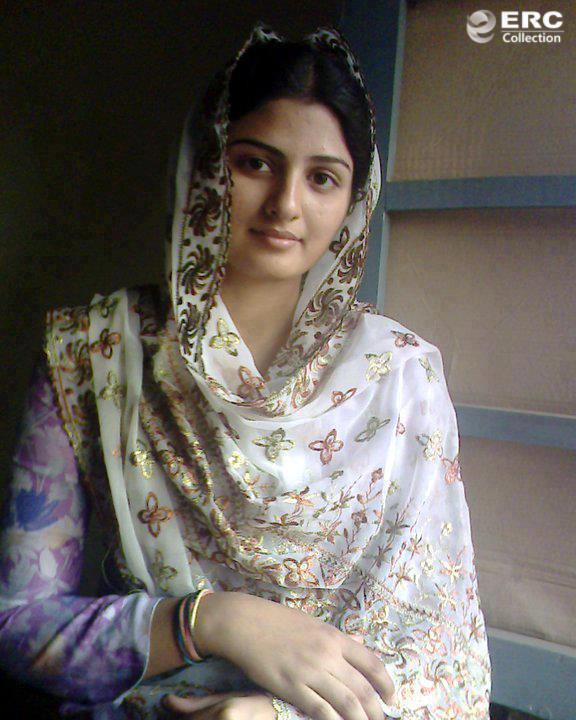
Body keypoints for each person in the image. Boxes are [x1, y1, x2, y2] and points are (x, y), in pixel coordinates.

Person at [0, 22, 491, 720]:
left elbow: (441, 655)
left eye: (322, 178)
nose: (286, 204)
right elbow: (19, 627)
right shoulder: (93, 353)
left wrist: (273, 713)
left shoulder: (400, 377)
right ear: (205, 164)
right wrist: (210, 620)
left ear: (353, 200)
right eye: (256, 163)